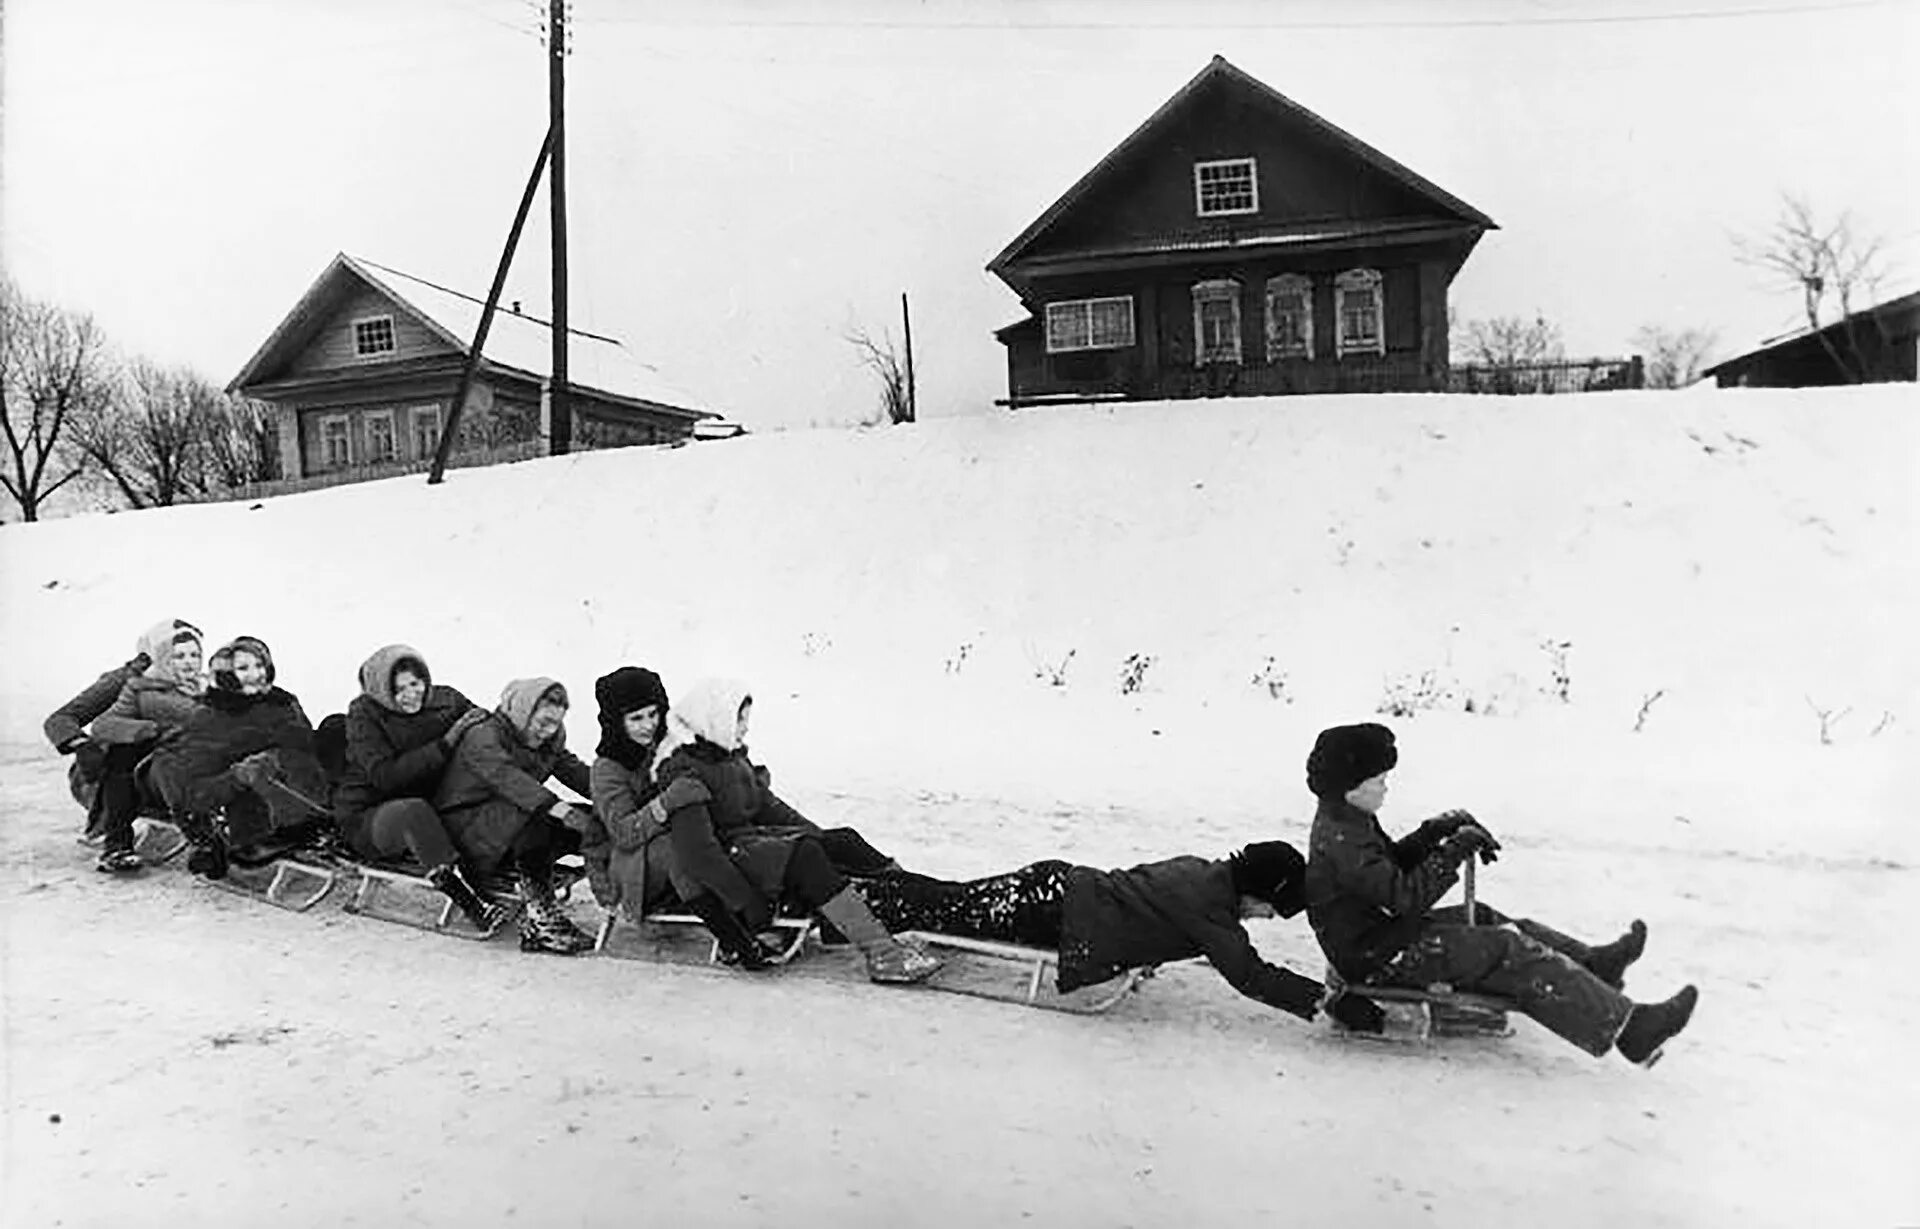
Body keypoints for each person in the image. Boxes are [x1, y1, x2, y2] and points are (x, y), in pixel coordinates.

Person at [1301, 722, 1699, 1066]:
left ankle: (1595, 966)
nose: (1386, 787)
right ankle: (1630, 1030)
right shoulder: (1342, 838)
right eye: (1378, 781)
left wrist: (1437, 831)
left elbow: (1388, 867)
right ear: (1351, 788)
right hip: (1377, 956)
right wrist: (1452, 852)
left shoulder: (1349, 821)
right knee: (1508, 951)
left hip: (1380, 938)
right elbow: (1405, 896)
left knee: (1491, 918)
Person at [856, 842, 1380, 1025]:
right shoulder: (1211, 909)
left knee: (949, 900)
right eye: (1270, 908)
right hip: (1052, 913)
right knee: (938, 910)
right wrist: (1330, 1003)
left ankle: (859, 886)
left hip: (1059, 886)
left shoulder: (1201, 871)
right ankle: (845, 896)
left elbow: (1144, 899)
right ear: (1256, 892)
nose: (1266, 918)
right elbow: (1250, 975)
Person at [645, 676, 943, 984]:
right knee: (805, 855)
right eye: (740, 721)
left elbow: (768, 807)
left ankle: (921, 906)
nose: (745, 729)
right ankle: (884, 955)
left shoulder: (727, 757)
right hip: (728, 860)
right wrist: (745, 902)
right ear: (714, 720)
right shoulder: (682, 771)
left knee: (843, 842)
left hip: (748, 846)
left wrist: (821, 838)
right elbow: (699, 854)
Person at [332, 644, 502, 932]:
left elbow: (482, 727)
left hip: (432, 805)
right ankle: (472, 900)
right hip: (371, 815)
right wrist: (445, 744)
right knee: (413, 811)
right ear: (382, 691)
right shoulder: (364, 715)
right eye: (398, 690)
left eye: (416, 683)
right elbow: (386, 777)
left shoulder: (446, 699)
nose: (411, 694)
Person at [434, 677, 599, 955]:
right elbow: (509, 780)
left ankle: (642, 890)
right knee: (540, 816)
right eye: (543, 722)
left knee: (590, 821)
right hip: (465, 828)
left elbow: (573, 770)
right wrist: (562, 811)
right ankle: (541, 918)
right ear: (523, 712)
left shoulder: (548, 739)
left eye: (555, 723)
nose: (549, 731)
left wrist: (616, 798)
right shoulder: (483, 735)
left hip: (511, 823)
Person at [147, 636, 332, 877]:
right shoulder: (210, 717)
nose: (255, 675)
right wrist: (240, 775)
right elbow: (197, 787)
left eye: (259, 666)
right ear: (225, 675)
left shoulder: (283, 703)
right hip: (247, 806)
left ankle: (314, 821)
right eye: (243, 668)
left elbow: (306, 753)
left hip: (297, 794)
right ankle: (213, 843)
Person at [42, 618, 198, 843]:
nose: (187, 661)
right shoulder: (126, 680)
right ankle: (117, 834)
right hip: (108, 769)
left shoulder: (192, 683)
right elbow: (60, 719)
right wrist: (81, 745)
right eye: (174, 651)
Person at [84, 620, 208, 874]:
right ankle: (117, 844)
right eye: (179, 656)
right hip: (156, 769)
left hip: (204, 761)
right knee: (122, 755)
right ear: (163, 659)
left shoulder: (211, 688)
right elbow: (102, 725)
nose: (189, 662)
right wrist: (147, 729)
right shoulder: (142, 690)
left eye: (195, 655)